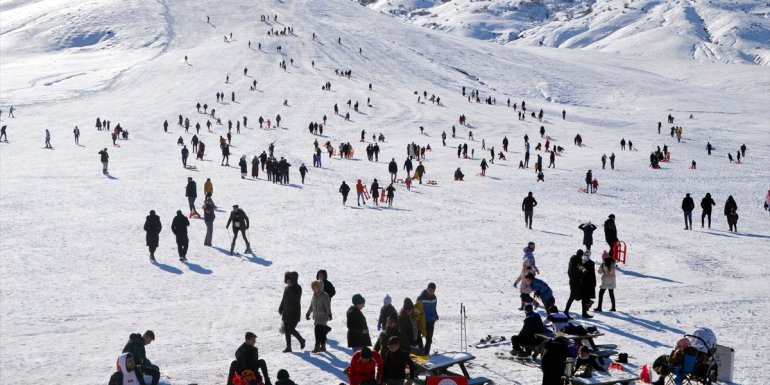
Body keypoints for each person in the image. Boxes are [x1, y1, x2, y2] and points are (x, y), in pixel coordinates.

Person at [279, 271, 305, 352]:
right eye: (287, 279)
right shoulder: (286, 288)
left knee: (291, 329)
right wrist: (281, 307)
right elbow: (284, 299)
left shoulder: (298, 288)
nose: (288, 281)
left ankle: (301, 340)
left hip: (294, 312)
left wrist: (290, 288)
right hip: (286, 312)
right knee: (287, 330)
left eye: (290, 279)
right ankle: (288, 347)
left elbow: (296, 297)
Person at [306, 280, 332, 353]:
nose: (315, 289)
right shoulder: (314, 296)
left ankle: (317, 346)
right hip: (316, 316)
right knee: (321, 331)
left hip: (323, 315)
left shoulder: (325, 295)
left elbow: (327, 306)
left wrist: (329, 314)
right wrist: (308, 313)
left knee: (317, 330)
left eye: (316, 287)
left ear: (320, 287)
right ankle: (323, 346)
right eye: (313, 288)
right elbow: (312, 306)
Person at [416, 283, 438, 354]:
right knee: (419, 339)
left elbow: (434, 308)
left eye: (433, 291)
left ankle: (426, 354)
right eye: (430, 290)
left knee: (429, 340)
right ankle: (421, 353)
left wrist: (435, 315)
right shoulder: (420, 298)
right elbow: (417, 310)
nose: (431, 292)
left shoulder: (434, 298)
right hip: (423, 322)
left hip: (431, 321)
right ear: (427, 289)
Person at [563, 250, 584, 319]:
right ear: (581, 255)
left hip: (572, 280)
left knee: (576, 295)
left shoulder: (572, 261)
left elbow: (569, 271)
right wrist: (585, 271)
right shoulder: (578, 260)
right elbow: (580, 269)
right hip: (576, 281)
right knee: (572, 297)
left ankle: (586, 305)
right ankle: (566, 311)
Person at [578, 251, 597, 318]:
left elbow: (592, 274)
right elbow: (579, 269)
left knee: (585, 298)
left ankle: (585, 311)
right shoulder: (581, 262)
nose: (585, 255)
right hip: (583, 283)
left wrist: (594, 282)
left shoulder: (591, 263)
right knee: (584, 298)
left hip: (588, 283)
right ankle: (584, 312)